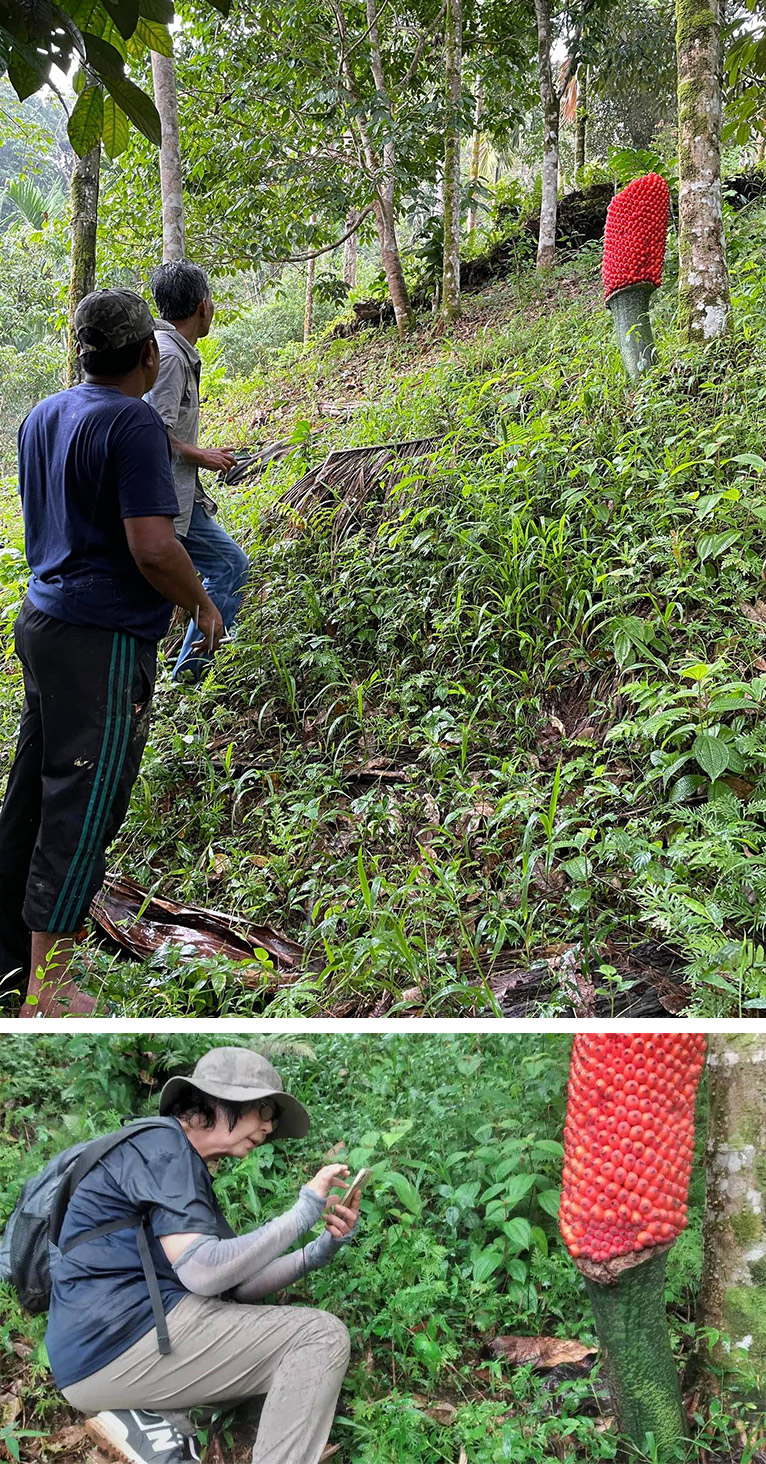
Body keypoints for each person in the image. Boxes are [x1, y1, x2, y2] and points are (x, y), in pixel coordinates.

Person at [0, 289, 225, 1019]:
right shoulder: (131, 422)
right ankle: (50, 986)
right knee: (84, 804)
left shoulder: (44, 413)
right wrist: (200, 600)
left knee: (33, 790)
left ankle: (11, 958)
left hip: (41, 622)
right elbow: (153, 546)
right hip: (99, 641)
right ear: (147, 353)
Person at [49, 1047, 360, 1464]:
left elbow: (235, 1285)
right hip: (120, 1340)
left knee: (278, 1363)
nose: (269, 1127)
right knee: (319, 1337)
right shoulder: (163, 1146)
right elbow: (204, 1273)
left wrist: (318, 1251)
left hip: (96, 1356)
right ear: (221, 1100)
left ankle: (155, 1424)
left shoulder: (173, 1160)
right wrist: (304, 1210)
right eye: (265, 1111)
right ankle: (163, 1417)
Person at [146, 261, 250, 684]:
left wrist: (198, 455)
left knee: (225, 564)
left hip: (179, 492)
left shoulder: (168, 350)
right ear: (204, 306)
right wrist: (199, 454)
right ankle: (192, 673)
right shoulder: (170, 357)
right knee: (226, 565)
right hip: (165, 496)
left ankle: (197, 663)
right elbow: (151, 430)